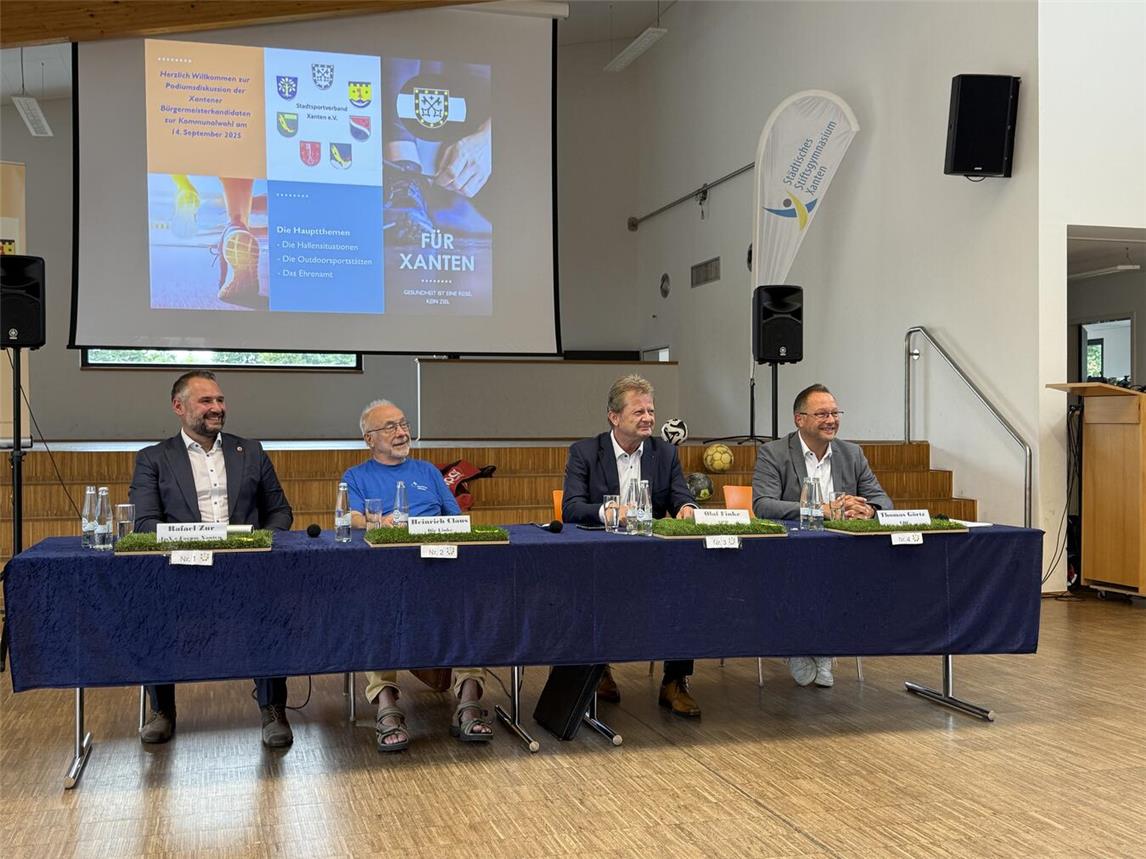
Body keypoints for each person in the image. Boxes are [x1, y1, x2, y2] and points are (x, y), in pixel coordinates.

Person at [129, 370, 294, 747]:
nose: (217, 408)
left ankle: (273, 710)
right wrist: (190, 546)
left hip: (246, 567)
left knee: (270, 610)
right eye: (206, 401)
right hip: (183, 569)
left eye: (220, 401)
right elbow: (145, 522)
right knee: (152, 610)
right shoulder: (153, 458)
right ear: (178, 406)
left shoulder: (250, 450)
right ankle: (162, 711)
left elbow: (280, 512)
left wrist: (262, 545)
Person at [342, 399, 493, 752]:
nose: (402, 432)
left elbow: (456, 519)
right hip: (385, 573)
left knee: (471, 605)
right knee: (374, 610)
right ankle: (387, 705)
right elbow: (348, 519)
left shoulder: (427, 472)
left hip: (439, 567)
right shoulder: (356, 477)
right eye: (390, 427)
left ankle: (469, 697)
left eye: (404, 424)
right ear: (369, 439)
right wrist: (380, 521)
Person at [561, 374, 701, 717]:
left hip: (652, 557)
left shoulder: (664, 453)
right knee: (588, 588)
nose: (648, 419)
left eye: (651, 411)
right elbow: (570, 508)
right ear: (614, 416)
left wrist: (687, 510)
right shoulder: (585, 452)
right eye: (639, 412)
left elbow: (681, 497)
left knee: (687, 585)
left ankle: (675, 682)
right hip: (601, 556)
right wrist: (608, 511)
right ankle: (599, 670)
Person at [752, 383, 893, 688]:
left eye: (834, 413)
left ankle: (825, 647)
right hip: (790, 551)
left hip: (842, 552)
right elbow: (763, 505)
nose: (831, 420)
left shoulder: (852, 453)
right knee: (801, 576)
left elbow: (883, 500)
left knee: (857, 576)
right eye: (822, 414)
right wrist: (820, 510)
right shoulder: (774, 453)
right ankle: (796, 647)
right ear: (799, 419)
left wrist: (867, 510)